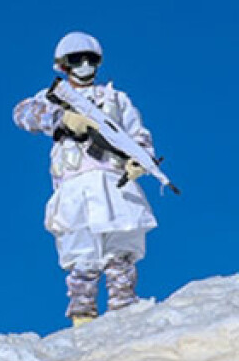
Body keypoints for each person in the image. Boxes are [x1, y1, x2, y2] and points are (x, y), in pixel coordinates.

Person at [13, 31, 158, 325]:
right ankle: (83, 320)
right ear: (64, 65)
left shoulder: (115, 98)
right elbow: (23, 113)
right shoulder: (53, 97)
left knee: (121, 254)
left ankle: (125, 315)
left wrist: (140, 159)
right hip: (74, 186)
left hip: (114, 184)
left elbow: (137, 133)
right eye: (76, 60)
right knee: (82, 258)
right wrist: (62, 119)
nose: (84, 65)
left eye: (90, 59)